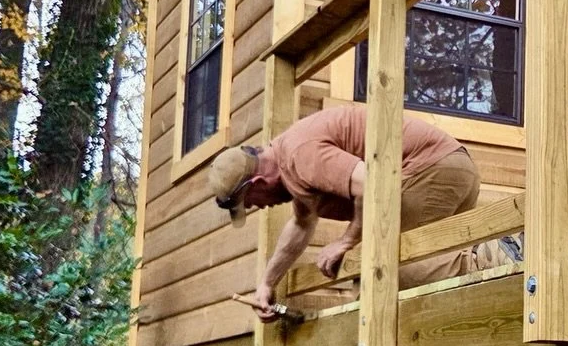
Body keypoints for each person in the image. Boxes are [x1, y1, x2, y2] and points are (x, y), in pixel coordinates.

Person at [209, 104, 491, 320]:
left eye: (252, 202)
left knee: (382, 267)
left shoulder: (300, 156)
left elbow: (371, 182)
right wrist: (266, 284)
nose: (261, 206)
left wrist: (345, 242)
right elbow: (301, 224)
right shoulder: (291, 165)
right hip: (450, 166)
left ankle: (500, 256)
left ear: (257, 183)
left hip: (430, 168)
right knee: (424, 269)